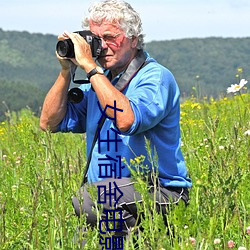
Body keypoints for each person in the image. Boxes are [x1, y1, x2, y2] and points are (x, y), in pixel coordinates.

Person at [40, 0, 192, 245]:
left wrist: (91, 68)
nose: (102, 47)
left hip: (160, 191)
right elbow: (49, 122)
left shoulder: (154, 77)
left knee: (87, 199)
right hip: (110, 197)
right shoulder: (99, 83)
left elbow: (126, 120)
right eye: (96, 39)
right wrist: (66, 70)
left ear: (133, 39)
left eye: (110, 37)